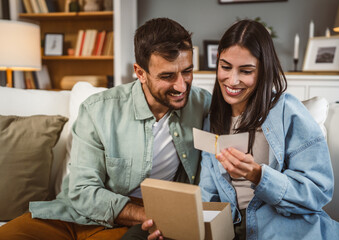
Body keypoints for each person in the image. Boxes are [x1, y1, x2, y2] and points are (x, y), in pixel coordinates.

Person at [0, 17, 211, 240]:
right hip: (75, 213)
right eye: (167, 76)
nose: (181, 85)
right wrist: (146, 214)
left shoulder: (202, 104)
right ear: (140, 73)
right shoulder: (98, 110)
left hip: (134, 223)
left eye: (187, 71)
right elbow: (82, 190)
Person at [199, 19, 339, 240]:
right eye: (226, 67)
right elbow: (209, 197)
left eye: (246, 71)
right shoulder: (212, 121)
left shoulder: (287, 111)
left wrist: (258, 175)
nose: (232, 80)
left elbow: (317, 191)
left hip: (292, 231)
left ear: (263, 70)